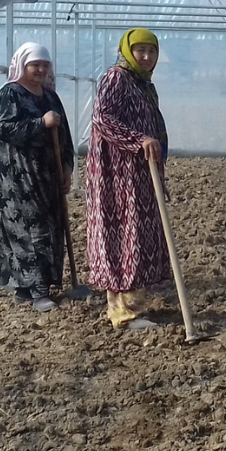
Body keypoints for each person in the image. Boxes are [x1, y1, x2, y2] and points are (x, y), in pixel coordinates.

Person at [86, 28, 170, 330]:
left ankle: (132, 305)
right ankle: (123, 313)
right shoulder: (116, 77)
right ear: (127, 51)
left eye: (152, 51)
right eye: (140, 50)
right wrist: (138, 140)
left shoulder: (144, 85)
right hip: (117, 174)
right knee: (124, 235)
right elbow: (102, 118)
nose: (146, 57)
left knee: (138, 234)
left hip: (140, 171)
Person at [0, 42, 74, 313]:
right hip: (21, 179)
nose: (40, 69)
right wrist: (41, 124)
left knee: (52, 228)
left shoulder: (50, 96)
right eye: (34, 64)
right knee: (30, 230)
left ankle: (38, 286)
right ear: (22, 65)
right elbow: (4, 129)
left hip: (50, 176)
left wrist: (67, 167)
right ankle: (35, 291)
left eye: (44, 65)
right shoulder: (10, 94)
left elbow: (65, 133)